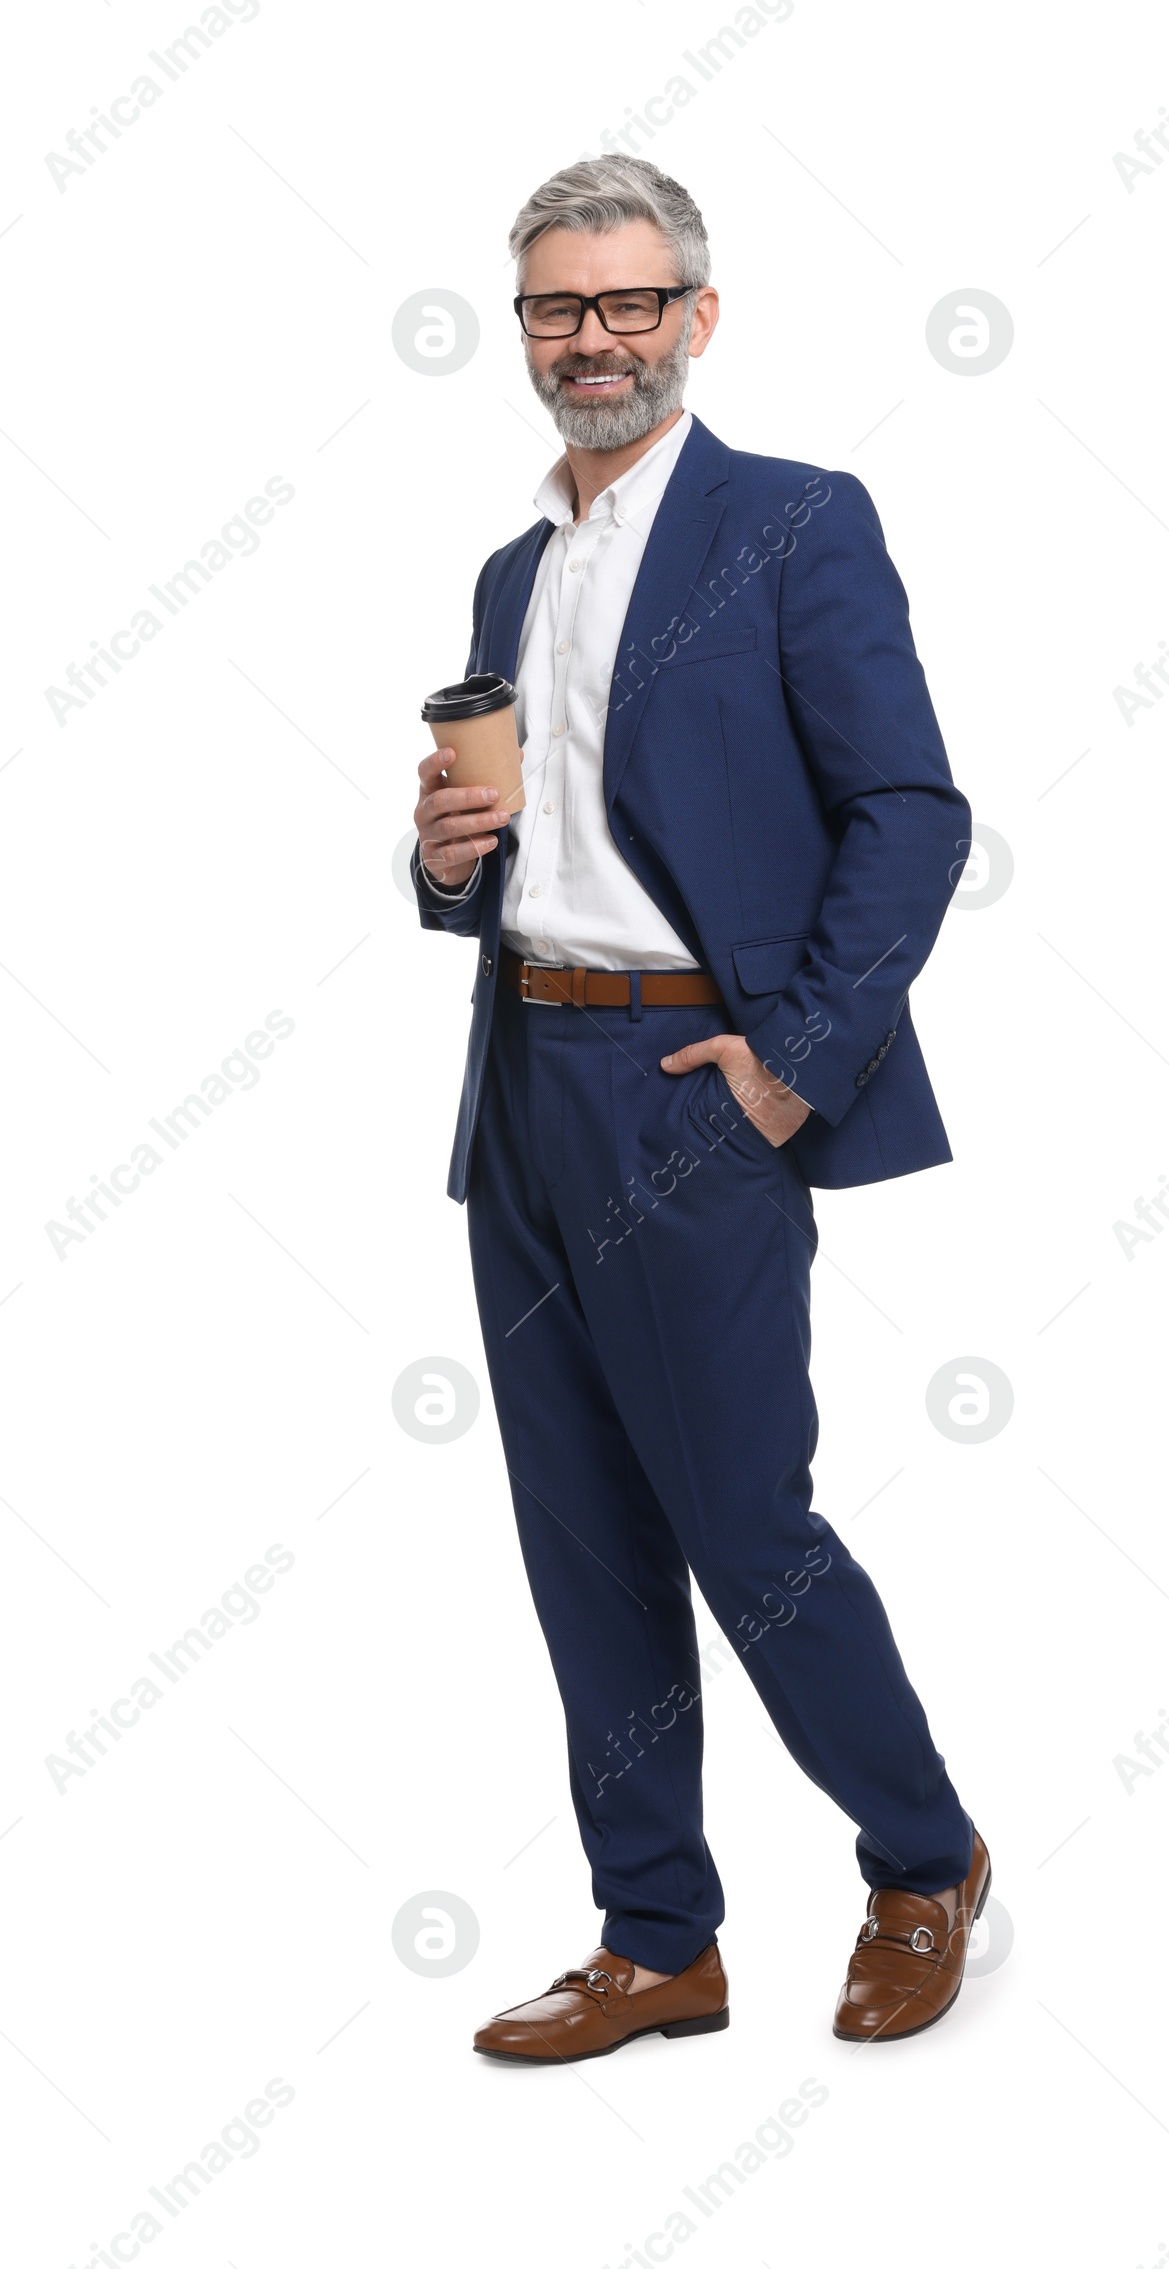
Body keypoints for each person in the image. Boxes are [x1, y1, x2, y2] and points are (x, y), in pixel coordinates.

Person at [410, 155, 987, 2060]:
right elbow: (527, 858)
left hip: (692, 1092)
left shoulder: (796, 524)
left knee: (746, 1523)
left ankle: (922, 1857)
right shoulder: (515, 567)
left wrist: (789, 1067)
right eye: (560, 308)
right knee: (578, 1530)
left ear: (697, 318)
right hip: (526, 1080)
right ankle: (659, 1937)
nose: (596, 339)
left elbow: (910, 810)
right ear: (526, 333)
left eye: (630, 302)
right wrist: (445, 863)